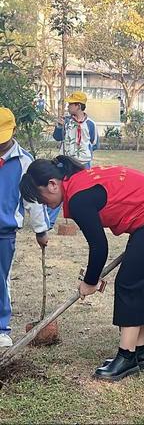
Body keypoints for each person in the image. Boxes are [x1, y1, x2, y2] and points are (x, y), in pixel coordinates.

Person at [20, 156, 144, 380]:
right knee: (136, 285)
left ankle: (127, 357)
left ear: (52, 184)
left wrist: (90, 282)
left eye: (40, 197)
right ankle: (139, 353)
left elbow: (99, 246)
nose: (43, 204)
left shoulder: (79, 198)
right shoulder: (79, 183)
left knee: (129, 285)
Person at [0, 108, 49, 348]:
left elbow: (33, 201)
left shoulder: (23, 161)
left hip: (4, 231)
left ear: (14, 131)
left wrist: (41, 230)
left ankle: (1, 327)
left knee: (1, 278)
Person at [51, 91, 99, 226]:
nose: (68, 106)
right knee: (58, 189)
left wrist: (83, 154)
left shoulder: (90, 124)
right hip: (65, 161)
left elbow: (94, 143)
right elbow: (57, 137)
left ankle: (82, 220)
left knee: (83, 192)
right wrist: (59, 126)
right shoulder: (65, 121)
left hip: (83, 163)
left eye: (71, 104)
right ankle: (49, 221)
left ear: (78, 105)